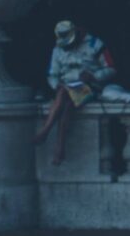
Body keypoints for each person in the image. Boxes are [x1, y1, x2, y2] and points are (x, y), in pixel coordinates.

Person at [33, 20, 117, 165]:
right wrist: (55, 84)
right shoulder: (58, 48)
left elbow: (111, 69)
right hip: (66, 90)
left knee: (65, 94)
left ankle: (46, 130)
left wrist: (94, 76)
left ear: (78, 33)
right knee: (66, 103)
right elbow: (52, 74)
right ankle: (60, 148)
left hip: (89, 88)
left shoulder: (95, 44)